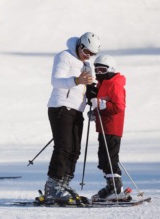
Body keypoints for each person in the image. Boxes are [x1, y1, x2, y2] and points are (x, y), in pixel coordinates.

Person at [45, 32, 101, 202]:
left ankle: (64, 183)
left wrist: (92, 94)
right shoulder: (64, 56)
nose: (88, 56)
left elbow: (88, 85)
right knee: (63, 147)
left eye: (92, 54)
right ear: (80, 46)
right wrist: (77, 81)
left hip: (77, 109)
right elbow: (56, 81)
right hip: (60, 106)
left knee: (75, 149)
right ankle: (53, 187)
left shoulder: (86, 64)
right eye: (87, 52)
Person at [88, 55, 127, 201]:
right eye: (96, 69)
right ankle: (111, 186)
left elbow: (119, 107)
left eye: (102, 69)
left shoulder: (114, 84)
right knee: (104, 158)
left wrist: (99, 104)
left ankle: (115, 188)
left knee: (110, 158)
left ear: (110, 70)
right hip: (103, 127)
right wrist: (95, 112)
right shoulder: (102, 83)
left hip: (112, 127)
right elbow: (101, 104)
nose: (98, 72)